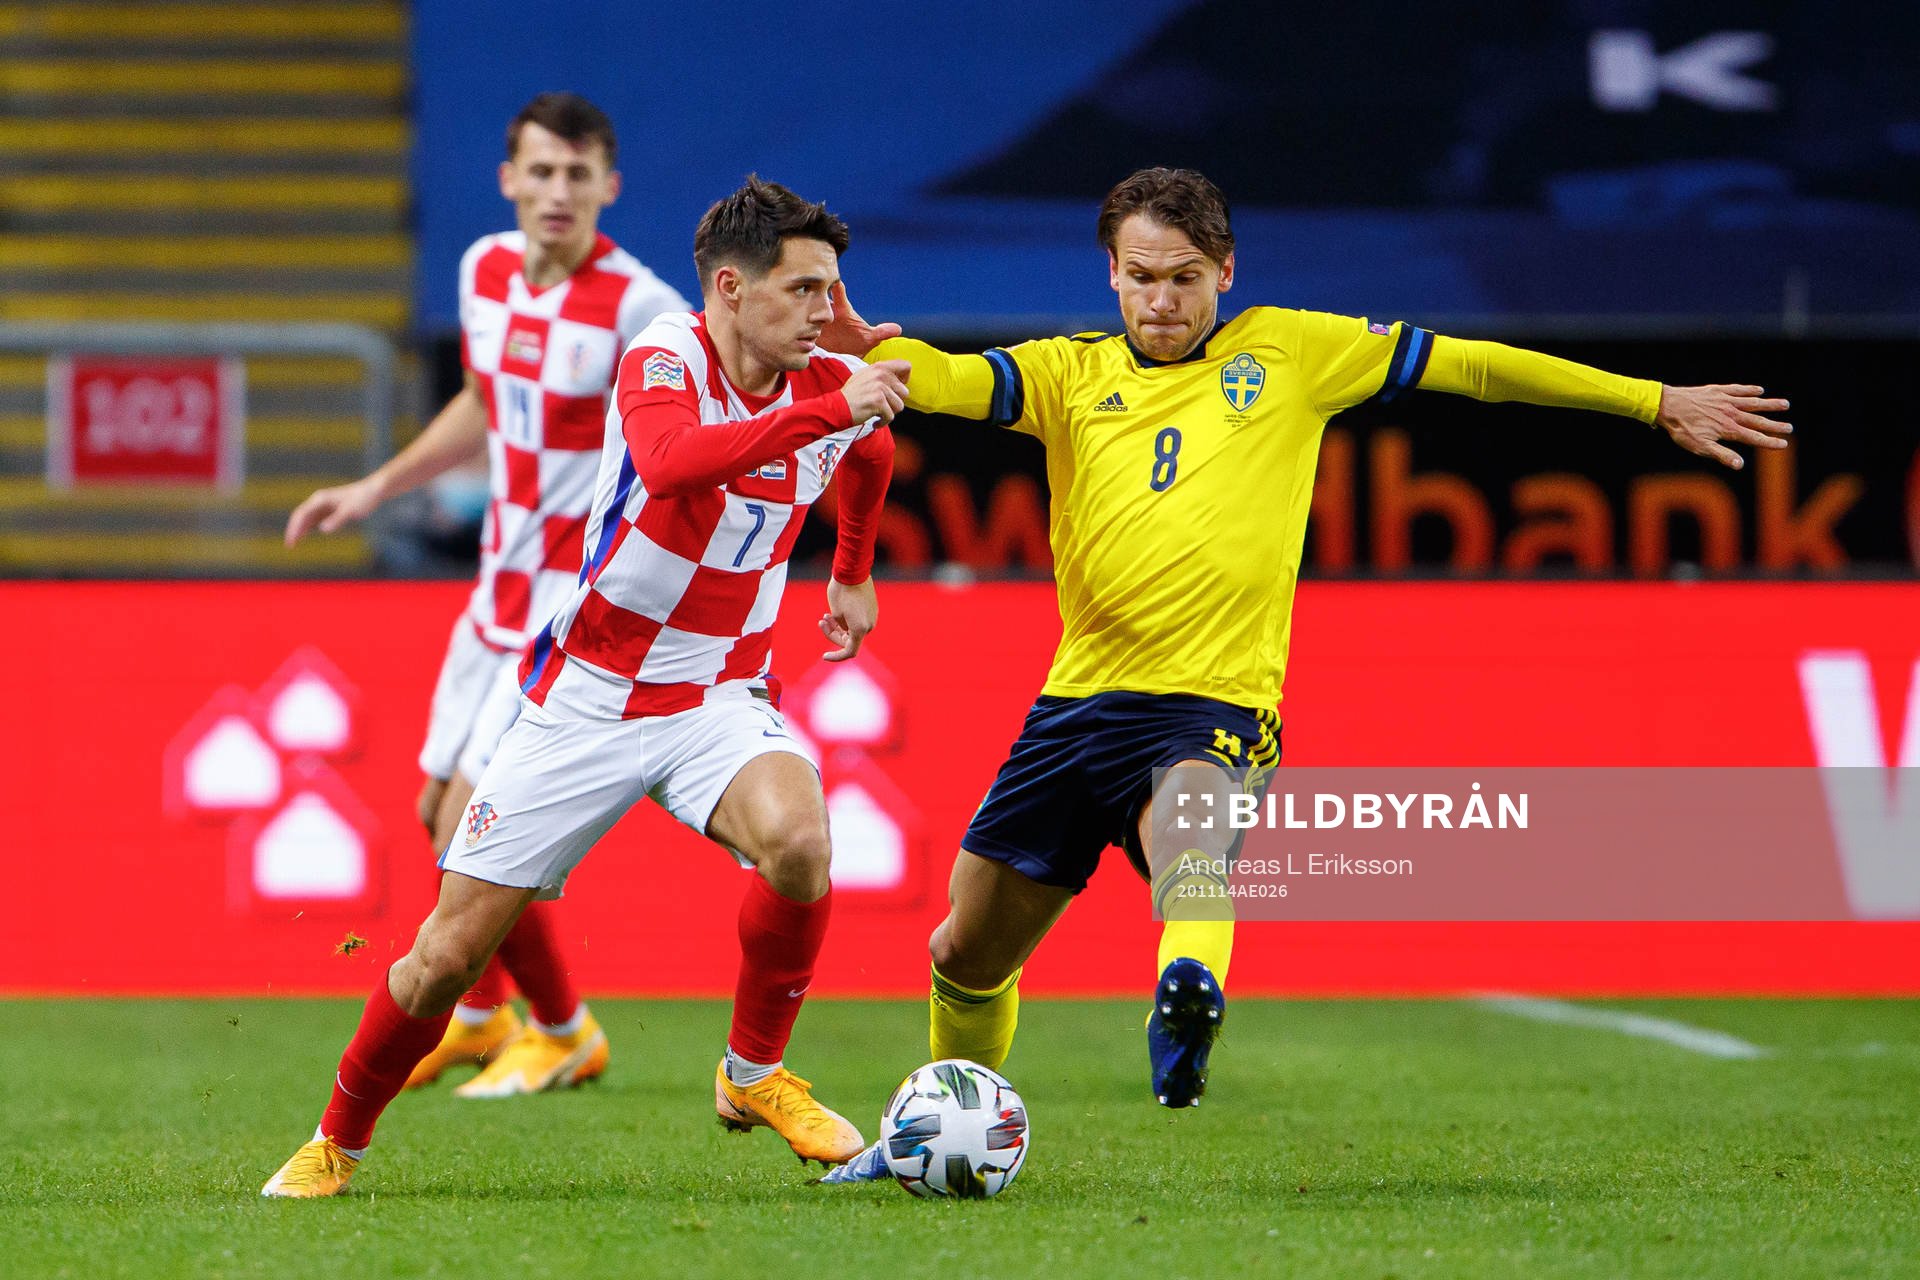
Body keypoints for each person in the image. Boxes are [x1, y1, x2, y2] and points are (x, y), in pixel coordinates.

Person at [820, 165, 1791, 1178]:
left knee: (1191, 840)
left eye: (1186, 278)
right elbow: (951, 380)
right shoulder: (1067, 373)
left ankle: (1187, 989)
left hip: (1213, 699)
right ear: (1109, 272)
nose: (1163, 301)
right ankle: (928, 1131)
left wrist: (1655, 401)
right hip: (1077, 704)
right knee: (961, 955)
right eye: (1143, 277)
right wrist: (879, 356)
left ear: (1226, 270)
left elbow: (1479, 369)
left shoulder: (1295, 351)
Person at [262, 175, 909, 1197]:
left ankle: (754, 1073)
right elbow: (671, 461)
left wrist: (853, 569)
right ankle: (336, 1137)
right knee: (446, 955)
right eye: (805, 289)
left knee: (800, 839)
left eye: (833, 290)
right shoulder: (666, 353)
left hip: (718, 694)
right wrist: (832, 402)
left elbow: (868, 456)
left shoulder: (825, 382)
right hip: (586, 694)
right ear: (730, 290)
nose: (827, 313)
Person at [286, 94, 689, 1098]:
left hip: (572, 600)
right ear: (509, 178)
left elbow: (689, 429)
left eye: (578, 173)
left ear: (610, 185)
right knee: (433, 810)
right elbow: (483, 400)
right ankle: (478, 1015)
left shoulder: (640, 307)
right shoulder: (483, 270)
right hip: (494, 589)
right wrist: (379, 486)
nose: (558, 191)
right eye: (540, 172)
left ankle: (562, 1029)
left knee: (474, 813)